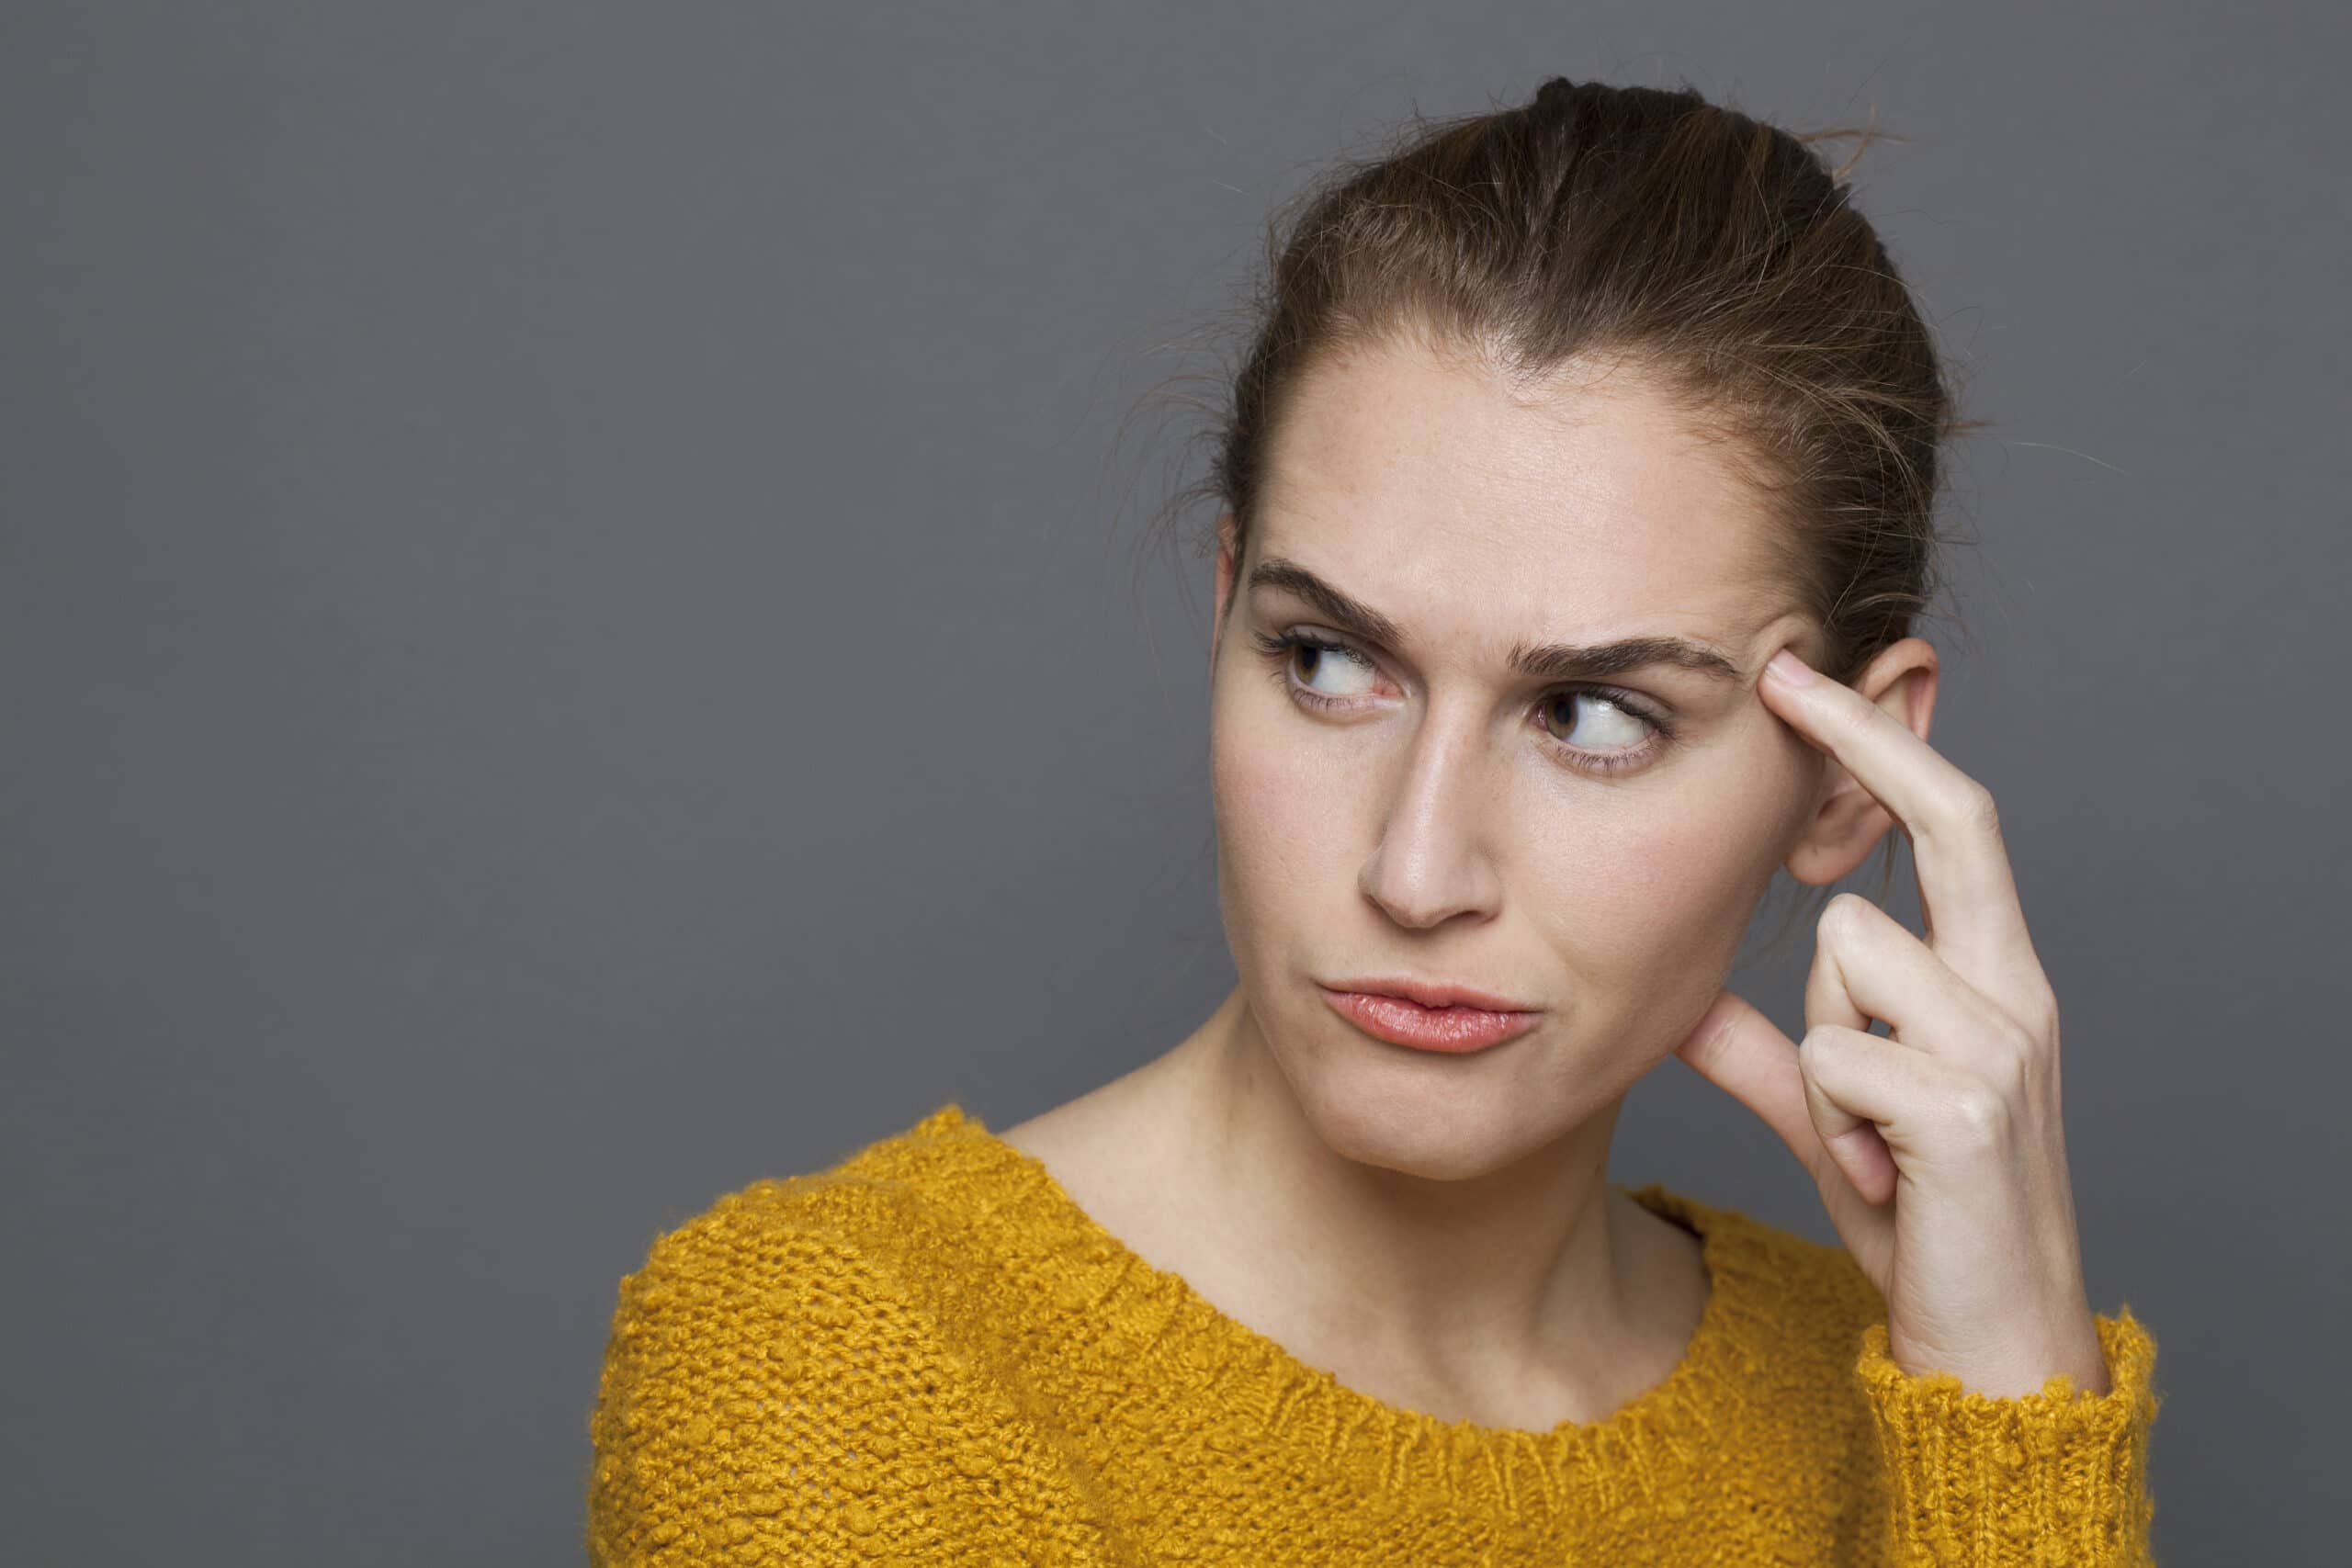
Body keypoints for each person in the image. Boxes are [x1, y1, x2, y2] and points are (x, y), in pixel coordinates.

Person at [583, 75, 2160, 1565]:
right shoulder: (840, 1360)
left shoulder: (1907, 1406)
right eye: (1329, 662)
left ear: (1845, 777)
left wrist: (2016, 1418)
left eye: (1594, 715)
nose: (1415, 872)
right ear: (1224, 622)